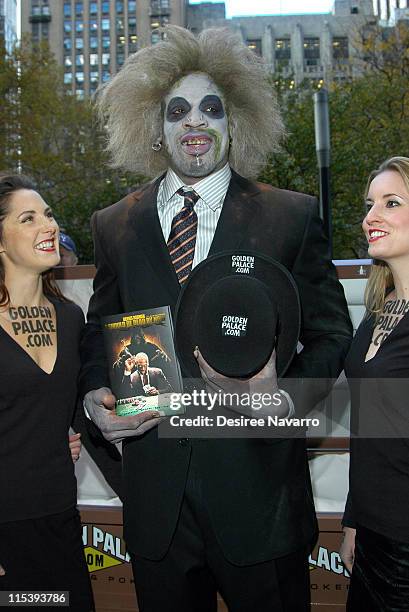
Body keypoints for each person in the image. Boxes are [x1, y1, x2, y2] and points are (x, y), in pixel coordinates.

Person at [80, 26, 352, 611]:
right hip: (159, 507)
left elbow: (332, 334)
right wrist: (94, 394)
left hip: (261, 500)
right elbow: (95, 336)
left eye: (212, 108)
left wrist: (284, 396)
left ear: (237, 122)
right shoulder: (114, 226)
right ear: (156, 126)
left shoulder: (291, 217)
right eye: (177, 110)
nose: (194, 122)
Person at [0, 174, 94, 611]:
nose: (49, 226)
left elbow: (73, 408)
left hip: (60, 523)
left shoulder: (71, 318)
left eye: (49, 214)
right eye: (28, 218)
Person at [340, 156, 409, 610]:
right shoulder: (375, 316)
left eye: (391, 202)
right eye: (370, 205)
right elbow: (368, 434)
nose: (371, 217)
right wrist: (353, 524)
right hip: (372, 539)